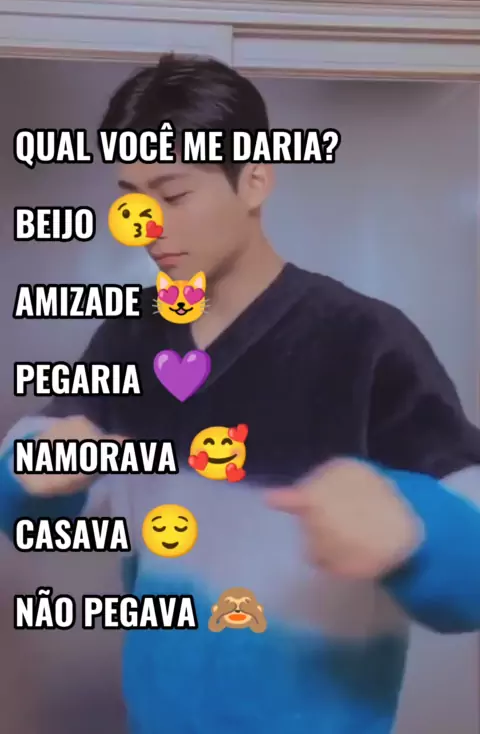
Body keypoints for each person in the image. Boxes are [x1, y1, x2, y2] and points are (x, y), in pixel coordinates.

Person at [1, 54, 480, 734]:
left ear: (255, 179)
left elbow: (471, 577)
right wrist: (27, 476)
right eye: (130, 197)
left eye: (172, 195)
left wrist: (416, 531)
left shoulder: (367, 341)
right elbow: (34, 510)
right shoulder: (128, 336)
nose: (145, 225)